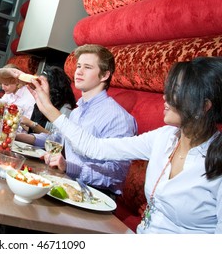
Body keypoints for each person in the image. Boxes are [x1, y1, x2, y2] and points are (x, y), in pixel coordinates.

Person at [30, 56, 222, 234]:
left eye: (177, 91)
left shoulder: (216, 162)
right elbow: (95, 147)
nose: (165, 97)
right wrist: (47, 107)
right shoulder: (164, 137)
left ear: (204, 106)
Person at [32, 44, 138, 196]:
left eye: (87, 67)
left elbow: (116, 175)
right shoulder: (77, 111)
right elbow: (55, 140)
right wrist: (22, 137)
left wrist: (69, 166)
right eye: (79, 66)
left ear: (104, 75)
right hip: (67, 183)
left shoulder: (118, 118)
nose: (79, 72)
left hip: (94, 195)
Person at [16, 65, 76, 143]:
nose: (39, 87)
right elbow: (32, 130)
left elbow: (57, 140)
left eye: (42, 84)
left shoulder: (65, 108)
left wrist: (31, 124)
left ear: (53, 87)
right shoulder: (39, 103)